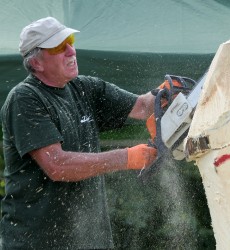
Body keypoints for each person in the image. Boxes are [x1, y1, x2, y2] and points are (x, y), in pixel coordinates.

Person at [0, 17, 157, 249]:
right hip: (38, 242)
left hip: (90, 240)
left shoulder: (85, 88)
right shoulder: (25, 98)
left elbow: (142, 107)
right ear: (36, 63)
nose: (71, 50)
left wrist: (165, 94)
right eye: (58, 47)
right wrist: (127, 157)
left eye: (69, 41)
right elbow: (57, 166)